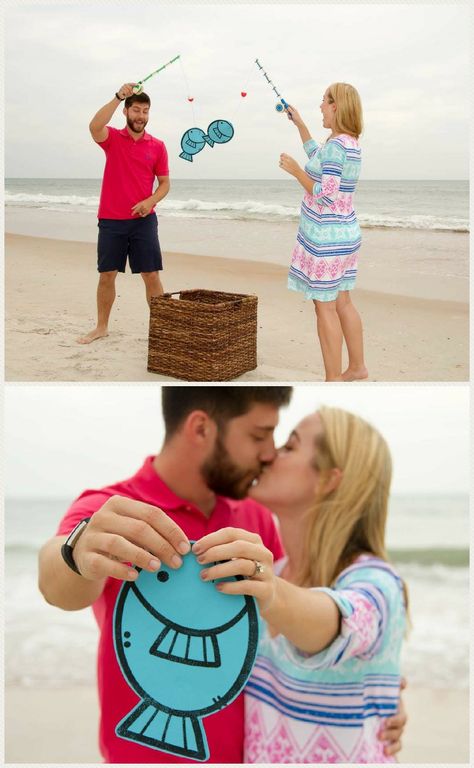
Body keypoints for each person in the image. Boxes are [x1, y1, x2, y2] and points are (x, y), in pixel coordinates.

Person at [38, 387, 406, 763]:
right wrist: (76, 551)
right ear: (201, 429)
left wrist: (373, 688)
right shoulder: (111, 510)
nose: (268, 453)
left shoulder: (256, 519)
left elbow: (288, 620)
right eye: (258, 436)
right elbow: (55, 586)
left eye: (280, 441)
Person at [193, 405, 407, 763]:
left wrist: (272, 590)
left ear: (328, 479)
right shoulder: (273, 572)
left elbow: (342, 620)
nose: (270, 455)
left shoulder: (378, 583)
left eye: (289, 447)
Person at [279, 84, 367, 382]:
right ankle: (357, 367)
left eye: (324, 102)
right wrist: (300, 124)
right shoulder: (348, 143)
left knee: (325, 306)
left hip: (327, 238)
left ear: (337, 107)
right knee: (343, 302)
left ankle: (333, 379)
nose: (320, 107)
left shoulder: (336, 146)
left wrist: (294, 170)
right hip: (346, 235)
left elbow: (325, 194)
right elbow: (319, 156)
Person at [77, 83, 170, 344]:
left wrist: (149, 201)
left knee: (151, 275)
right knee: (107, 274)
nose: (141, 116)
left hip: (144, 222)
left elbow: (165, 184)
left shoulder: (158, 146)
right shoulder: (113, 139)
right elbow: (94, 127)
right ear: (126, 112)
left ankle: (161, 330)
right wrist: (118, 96)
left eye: (146, 111)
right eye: (137, 110)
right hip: (111, 220)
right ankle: (101, 327)